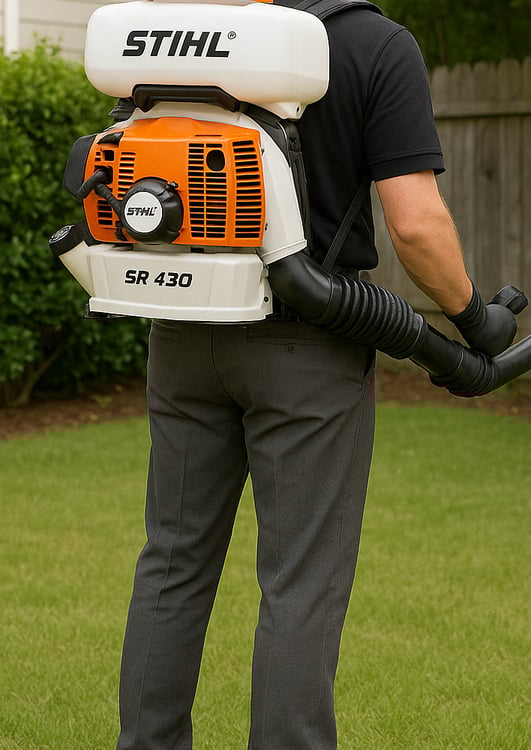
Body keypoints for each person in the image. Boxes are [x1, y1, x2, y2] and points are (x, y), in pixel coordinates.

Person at [114, 1, 476, 748]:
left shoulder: (182, 38)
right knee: (299, 588)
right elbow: (415, 223)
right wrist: (474, 318)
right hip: (307, 350)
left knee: (171, 566)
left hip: (184, 329)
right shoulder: (376, 44)